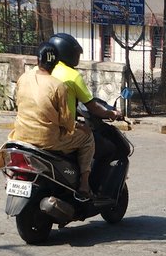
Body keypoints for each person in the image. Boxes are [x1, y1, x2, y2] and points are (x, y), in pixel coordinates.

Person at [0, 42, 96, 201]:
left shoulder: (23, 78)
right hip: (48, 141)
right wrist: (80, 126)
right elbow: (67, 122)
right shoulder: (58, 86)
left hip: (20, 135)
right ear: (55, 63)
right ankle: (84, 184)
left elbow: (18, 104)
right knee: (87, 138)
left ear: (37, 61)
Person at [44, 32, 129, 199]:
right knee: (95, 142)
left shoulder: (40, 72)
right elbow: (93, 107)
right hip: (59, 132)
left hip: (31, 128)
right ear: (68, 52)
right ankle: (85, 185)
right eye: (76, 53)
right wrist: (111, 113)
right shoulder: (72, 75)